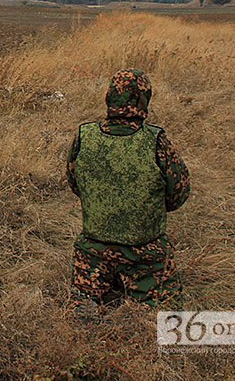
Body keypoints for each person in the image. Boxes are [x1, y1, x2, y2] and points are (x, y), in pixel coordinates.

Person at [66, 68, 190, 311]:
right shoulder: (156, 141)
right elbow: (178, 194)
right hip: (145, 257)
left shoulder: (85, 135)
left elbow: (75, 183)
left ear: (110, 97)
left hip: (92, 256)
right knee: (167, 319)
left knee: (82, 315)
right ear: (143, 100)